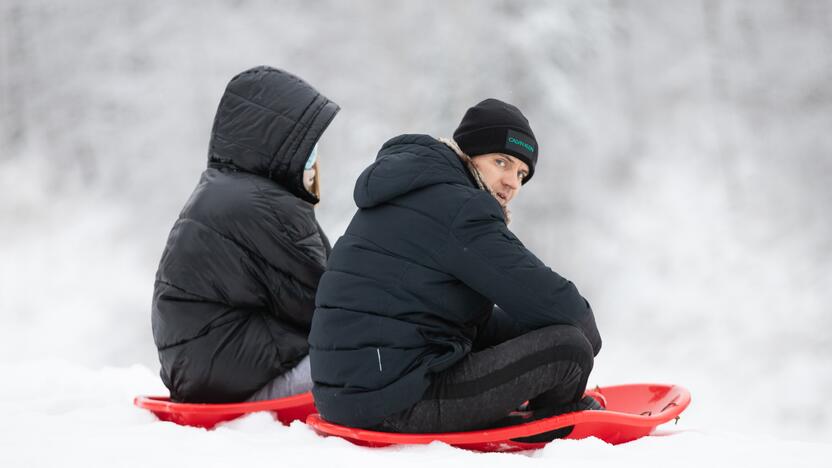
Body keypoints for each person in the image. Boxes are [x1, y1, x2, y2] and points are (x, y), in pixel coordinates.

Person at [309, 98, 602, 436]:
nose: (512, 183)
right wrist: (585, 332)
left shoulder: (416, 188)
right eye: (501, 162)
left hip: (348, 394)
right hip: (395, 402)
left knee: (525, 325)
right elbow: (548, 298)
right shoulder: (459, 207)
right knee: (570, 348)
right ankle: (549, 424)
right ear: (470, 154)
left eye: (521, 173)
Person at [151, 66, 339, 403]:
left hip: (203, 375)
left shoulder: (221, 191)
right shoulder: (267, 206)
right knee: (372, 358)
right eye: (307, 149)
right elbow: (328, 305)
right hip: (240, 384)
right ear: (278, 145)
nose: (314, 163)